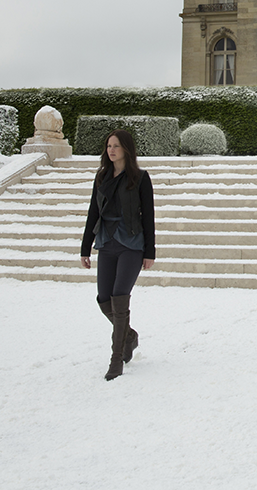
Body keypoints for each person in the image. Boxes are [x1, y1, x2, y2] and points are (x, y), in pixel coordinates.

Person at [80, 130, 155, 381]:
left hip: (132, 243)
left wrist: (150, 251)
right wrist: (85, 247)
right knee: (104, 299)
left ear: (126, 149)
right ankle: (129, 336)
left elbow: (149, 216)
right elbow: (93, 213)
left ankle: (116, 359)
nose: (111, 150)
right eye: (109, 146)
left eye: (116, 146)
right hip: (106, 242)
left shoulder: (140, 178)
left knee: (120, 298)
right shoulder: (101, 177)